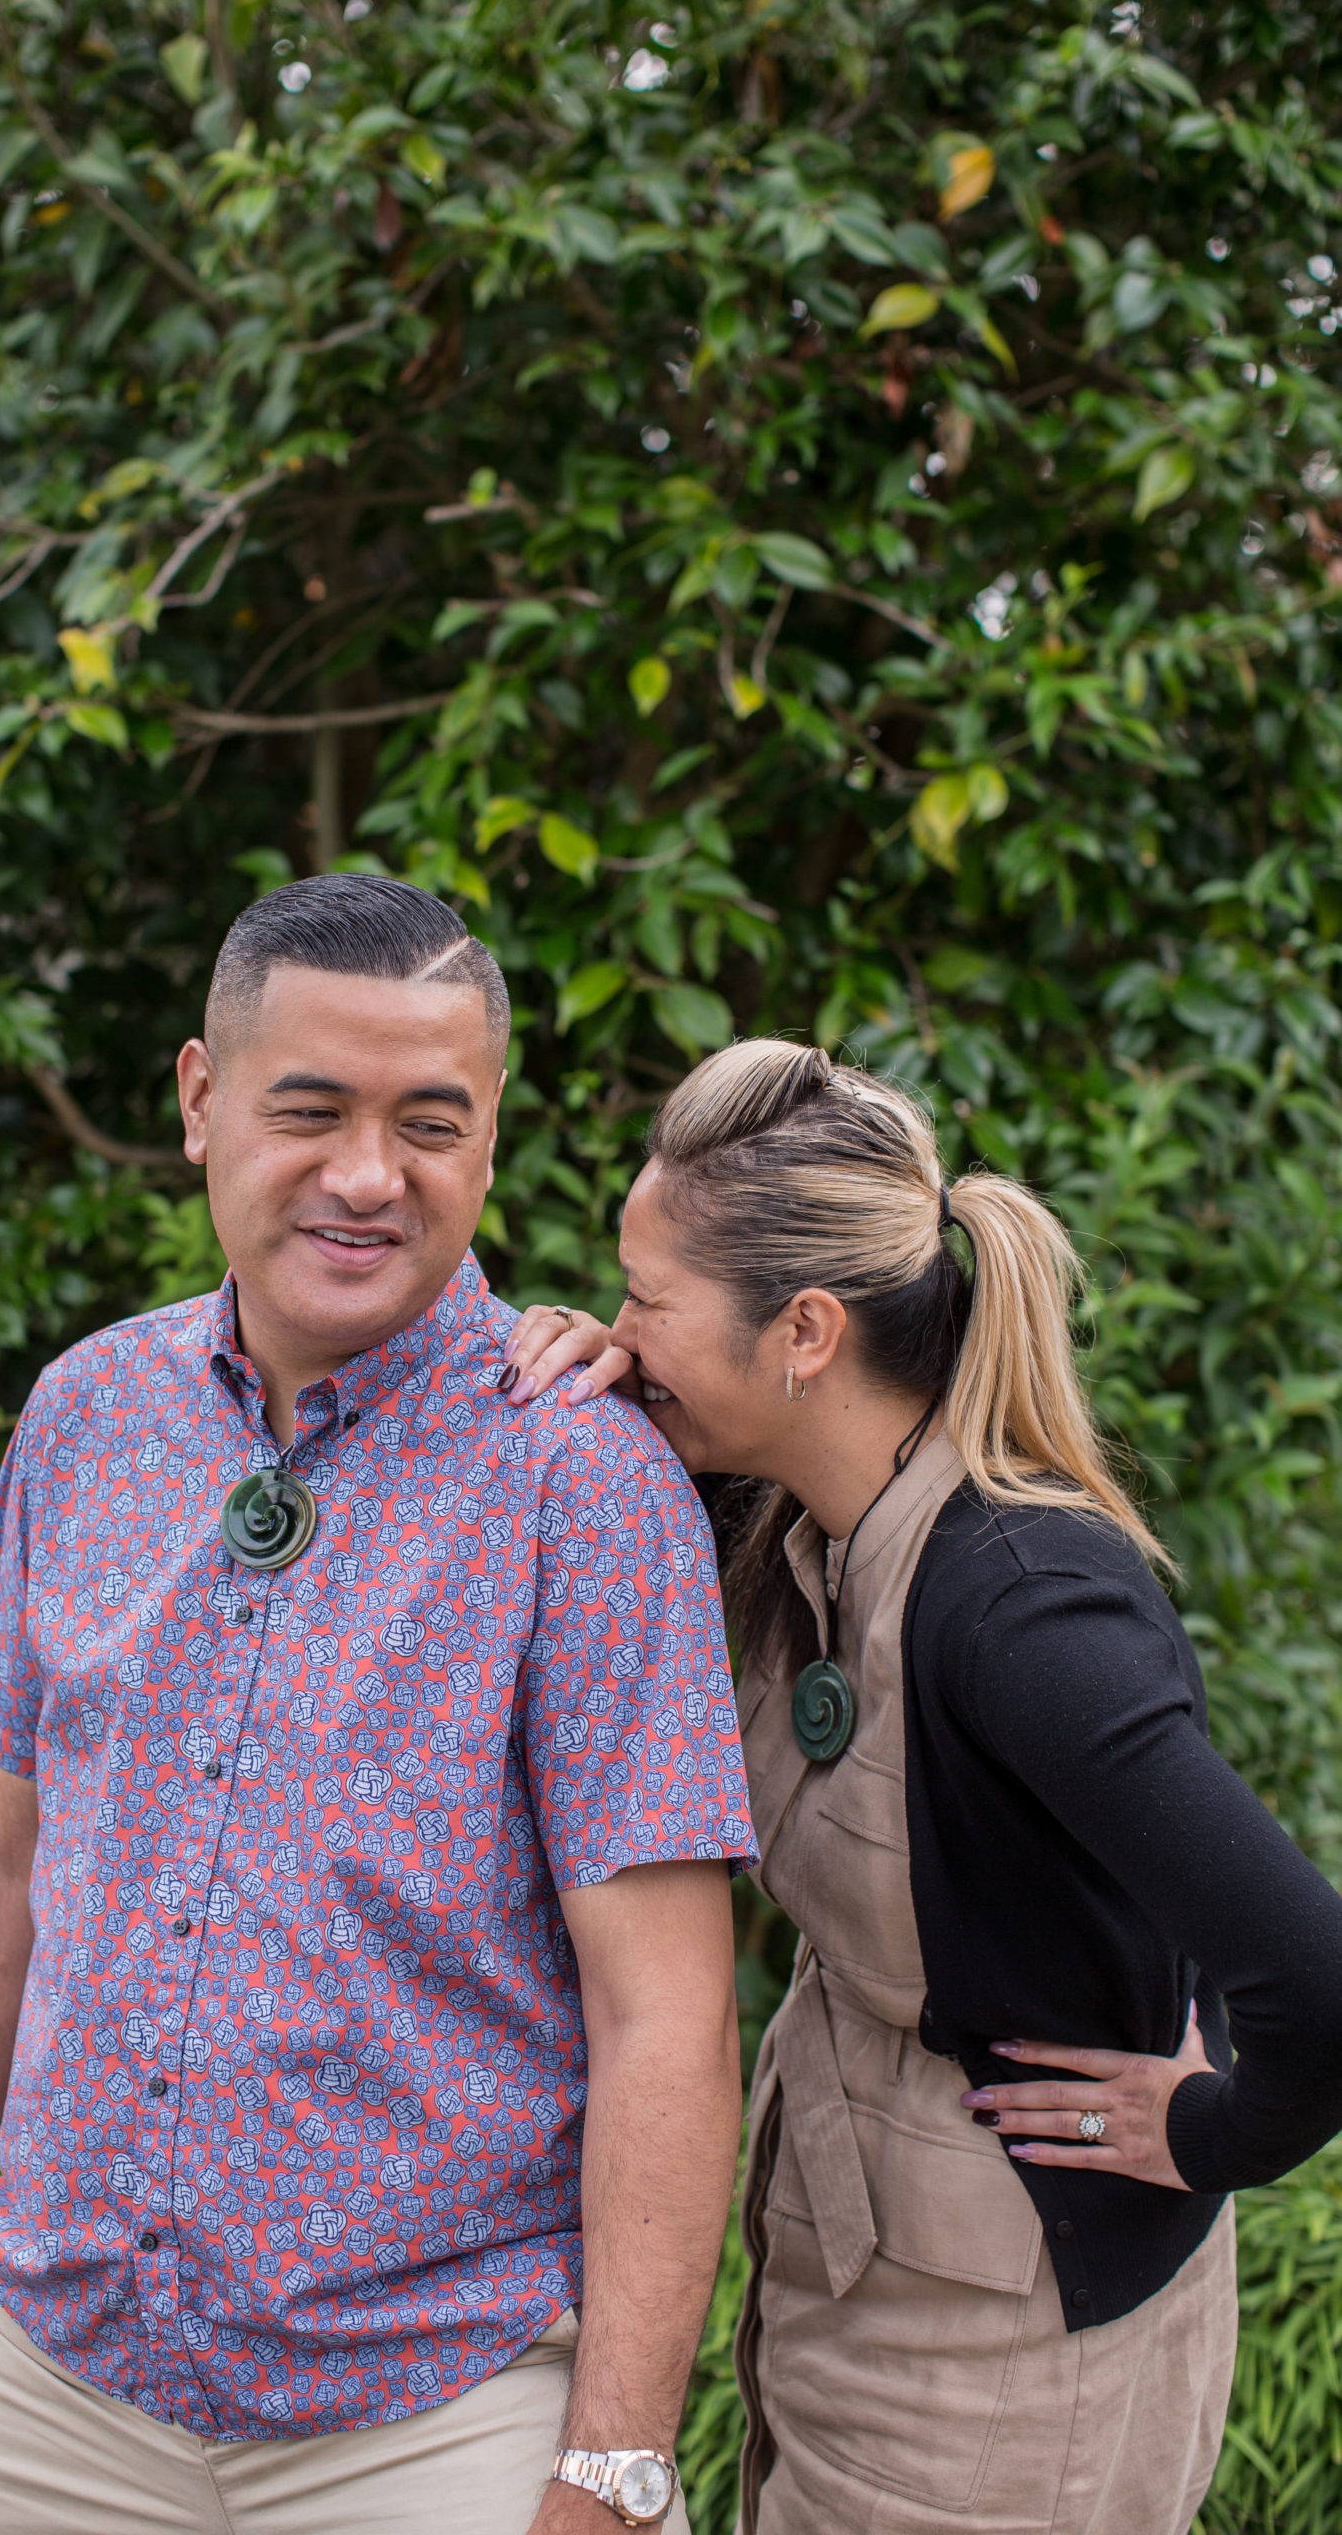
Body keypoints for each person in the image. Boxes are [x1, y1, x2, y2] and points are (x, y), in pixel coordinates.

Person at [0, 876, 758, 2535]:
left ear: (489, 1140)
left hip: (432, 2414)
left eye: (428, 1124)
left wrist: (609, 2468)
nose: (366, 1177)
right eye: (308, 1111)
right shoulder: (86, 1414)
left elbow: (665, 2016)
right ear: (199, 1101)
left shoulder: (584, 1489)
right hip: (45, 2380)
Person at [499, 1036, 1342, 2535]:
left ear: (806, 1330)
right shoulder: (808, 1510)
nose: (623, 1330)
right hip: (861, 2278)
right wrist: (574, 1360)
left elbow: (1316, 1978)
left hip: (1011, 2351)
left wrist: (1214, 2133)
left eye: (646, 1298)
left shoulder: (1025, 1613)